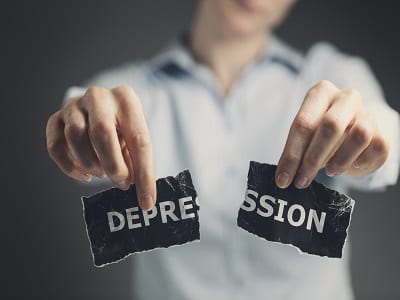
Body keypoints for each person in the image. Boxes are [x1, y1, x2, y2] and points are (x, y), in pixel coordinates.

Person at [46, 0, 399, 299]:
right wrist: (78, 127)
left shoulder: (335, 74)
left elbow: (386, 133)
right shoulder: (131, 94)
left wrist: (374, 139)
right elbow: (84, 132)